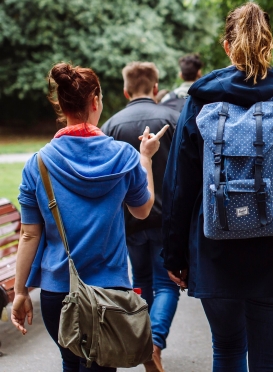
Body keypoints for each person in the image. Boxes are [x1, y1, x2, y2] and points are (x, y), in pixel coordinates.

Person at [161, 2, 273, 372]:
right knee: (271, 362)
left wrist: (174, 254)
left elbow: (179, 183)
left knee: (226, 350)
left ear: (227, 46)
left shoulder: (199, 102)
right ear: (269, 47)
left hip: (214, 251)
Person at [11, 63, 168, 372]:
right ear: (95, 101)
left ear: (61, 104)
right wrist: (145, 159)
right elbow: (143, 209)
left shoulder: (38, 164)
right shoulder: (124, 156)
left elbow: (29, 235)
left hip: (60, 291)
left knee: (71, 363)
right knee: (103, 365)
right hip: (111, 292)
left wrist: (19, 292)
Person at [101, 62, 180, 372]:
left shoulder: (111, 126)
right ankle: (155, 342)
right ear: (156, 88)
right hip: (168, 219)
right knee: (168, 285)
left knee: (141, 282)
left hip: (130, 220)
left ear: (125, 90)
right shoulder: (174, 119)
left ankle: (146, 341)